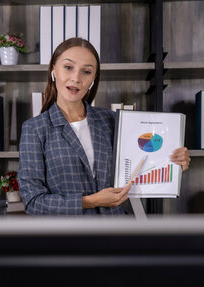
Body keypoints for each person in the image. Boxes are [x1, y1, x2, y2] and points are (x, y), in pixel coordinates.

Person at [18, 37, 190, 215]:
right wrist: (90, 202)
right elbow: (33, 202)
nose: (76, 78)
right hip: (66, 237)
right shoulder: (35, 129)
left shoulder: (113, 120)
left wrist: (174, 160)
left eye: (86, 72)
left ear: (93, 78)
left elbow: (146, 161)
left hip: (115, 233)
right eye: (68, 67)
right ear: (53, 70)